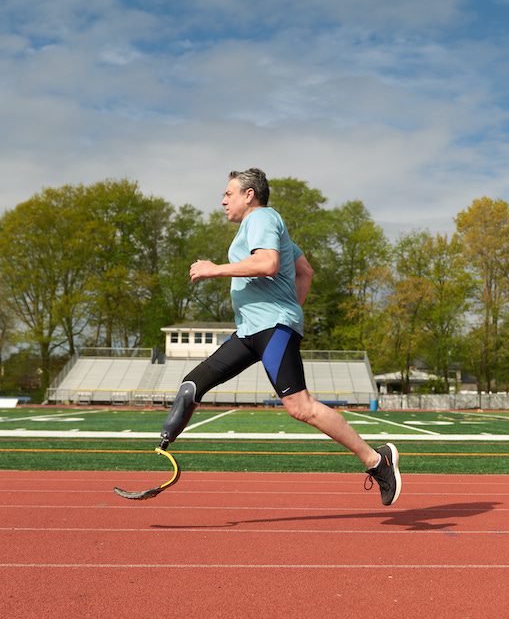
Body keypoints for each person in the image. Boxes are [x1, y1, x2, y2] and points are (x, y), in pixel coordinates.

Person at [156, 168, 401, 506]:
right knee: (193, 385)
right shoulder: (266, 227)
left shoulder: (261, 218)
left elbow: (268, 263)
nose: (223, 201)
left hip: (269, 328)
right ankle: (164, 443)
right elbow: (306, 271)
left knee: (301, 408)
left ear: (249, 195)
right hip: (250, 331)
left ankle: (377, 460)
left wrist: (216, 270)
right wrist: (289, 309)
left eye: (228, 193)